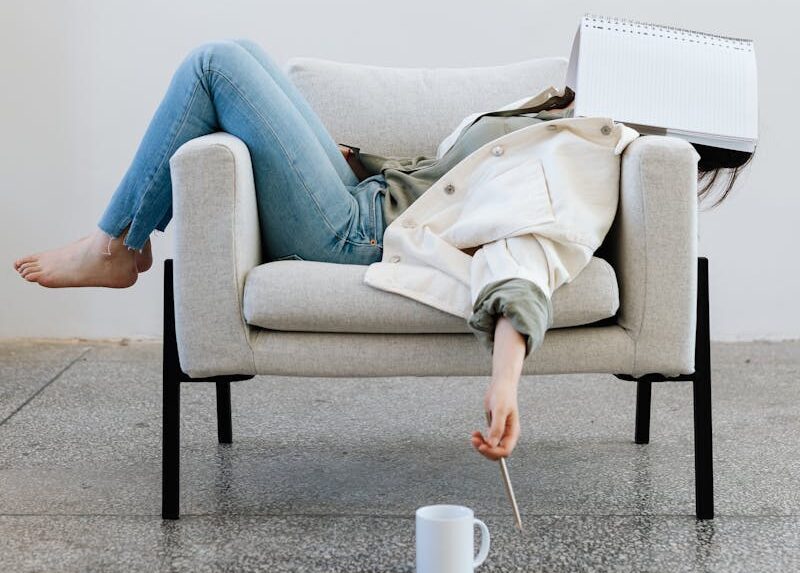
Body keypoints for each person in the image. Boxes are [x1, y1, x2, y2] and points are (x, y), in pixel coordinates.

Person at [12, 39, 755, 463]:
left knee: (215, 64)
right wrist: (354, 161)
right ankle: (118, 240)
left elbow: (527, 255)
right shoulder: (567, 115)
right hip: (361, 196)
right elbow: (447, 182)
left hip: (355, 234)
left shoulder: (594, 157)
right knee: (234, 53)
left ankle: (115, 244)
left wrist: (506, 381)